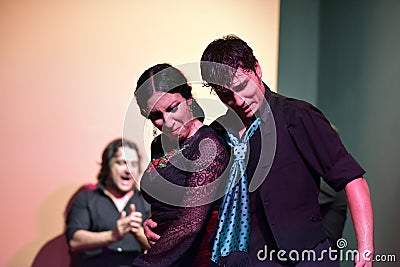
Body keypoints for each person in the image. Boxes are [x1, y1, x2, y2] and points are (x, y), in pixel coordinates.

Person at [145, 35, 374, 266]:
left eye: (243, 86)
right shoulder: (217, 134)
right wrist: (157, 224)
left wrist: (365, 250)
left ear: (257, 69)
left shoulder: (296, 116)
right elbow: (194, 197)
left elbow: (352, 179)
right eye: (226, 94)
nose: (239, 100)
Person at [130, 63, 229, 267]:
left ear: (189, 100)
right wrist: (150, 223)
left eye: (172, 108)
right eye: (156, 115)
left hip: (198, 256)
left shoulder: (207, 146)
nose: (167, 121)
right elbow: (164, 201)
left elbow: (190, 224)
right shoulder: (159, 144)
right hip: (166, 252)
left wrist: (145, 263)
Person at [66, 138, 151, 267]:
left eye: (133, 164)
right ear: (107, 166)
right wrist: (112, 235)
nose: (128, 170)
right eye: (122, 163)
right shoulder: (86, 199)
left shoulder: (147, 202)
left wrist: (138, 233)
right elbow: (74, 242)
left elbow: (163, 248)